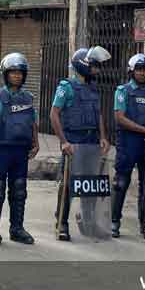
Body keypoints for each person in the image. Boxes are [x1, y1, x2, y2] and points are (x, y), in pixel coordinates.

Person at [50, 46, 112, 242]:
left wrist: (103, 137)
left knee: (90, 186)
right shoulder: (66, 87)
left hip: (91, 142)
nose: (97, 70)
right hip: (73, 143)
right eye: (94, 66)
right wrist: (64, 142)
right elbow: (54, 114)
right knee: (68, 185)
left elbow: (99, 114)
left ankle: (89, 222)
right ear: (83, 66)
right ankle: (61, 223)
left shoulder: (93, 88)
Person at [0, 52, 39, 245]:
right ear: (5, 74)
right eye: (13, 73)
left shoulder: (28, 98)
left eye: (20, 73)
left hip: (20, 151)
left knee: (19, 190)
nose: (17, 76)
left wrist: (36, 143)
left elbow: (33, 123)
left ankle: (17, 228)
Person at [111, 54, 145, 239]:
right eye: (138, 70)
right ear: (132, 71)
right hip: (128, 141)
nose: (141, 73)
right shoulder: (123, 91)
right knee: (121, 183)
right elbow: (120, 117)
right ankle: (114, 222)